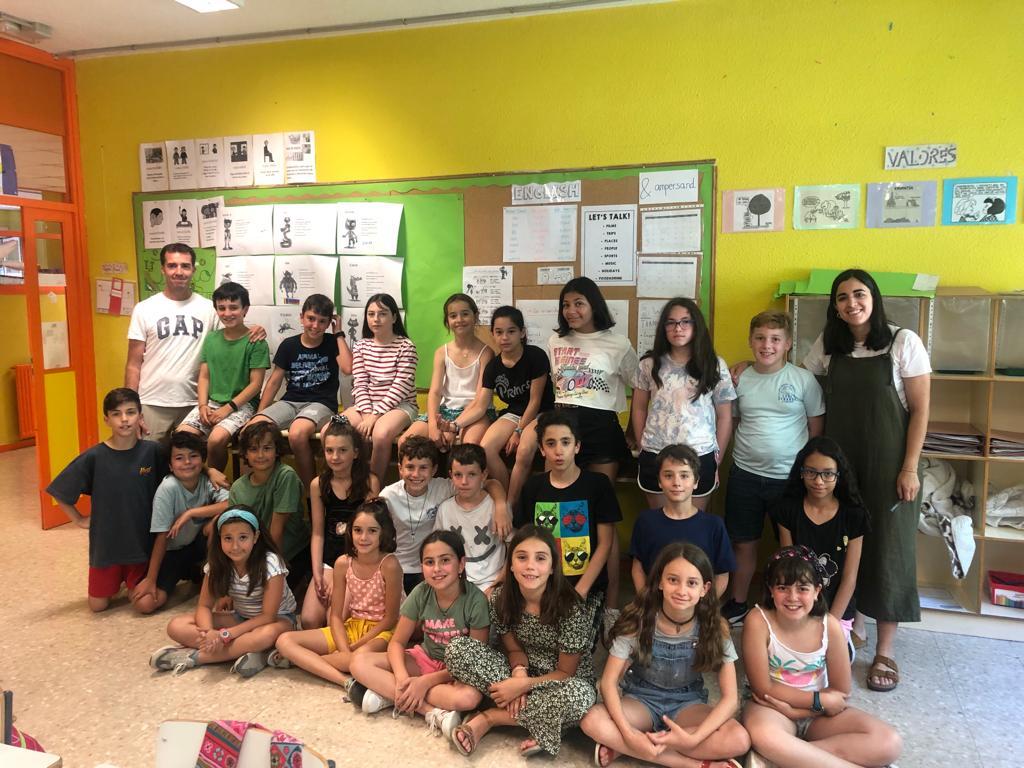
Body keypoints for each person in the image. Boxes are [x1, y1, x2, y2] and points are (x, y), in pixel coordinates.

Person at [802, 269, 930, 692]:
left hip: (889, 465)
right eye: (842, 297)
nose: (851, 303)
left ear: (873, 298)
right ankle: (852, 628)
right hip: (841, 465)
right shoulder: (829, 344)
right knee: (843, 543)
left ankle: (885, 650)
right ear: (834, 306)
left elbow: (920, 410)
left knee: (889, 549)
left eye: (859, 294)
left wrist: (909, 467)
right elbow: (802, 382)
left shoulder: (903, 342)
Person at [581, 542, 750, 768]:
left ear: (705, 589)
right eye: (673, 580)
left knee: (739, 739)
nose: (681, 590)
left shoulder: (715, 628)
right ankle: (694, 765)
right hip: (641, 700)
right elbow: (608, 683)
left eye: (692, 583)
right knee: (592, 720)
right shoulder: (638, 621)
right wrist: (629, 734)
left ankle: (627, 747)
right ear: (660, 581)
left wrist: (693, 738)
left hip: (688, 703)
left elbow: (730, 699)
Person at [445, 525, 600, 757]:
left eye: (540, 558)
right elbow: (514, 650)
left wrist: (523, 687)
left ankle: (490, 718)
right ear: (510, 565)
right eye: (522, 557)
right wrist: (518, 674)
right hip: (523, 669)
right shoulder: (500, 598)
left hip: (562, 680)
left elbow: (566, 672)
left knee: (580, 698)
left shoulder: (571, 608)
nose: (530, 566)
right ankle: (546, 720)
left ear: (552, 567)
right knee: (457, 649)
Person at [742, 546, 903, 768]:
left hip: (818, 713)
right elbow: (763, 688)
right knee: (766, 736)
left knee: (889, 742)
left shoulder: (830, 626)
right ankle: (794, 757)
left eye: (803, 588)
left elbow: (841, 692)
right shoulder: (758, 620)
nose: (792, 597)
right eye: (782, 587)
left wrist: (804, 709)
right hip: (772, 708)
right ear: (771, 590)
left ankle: (781, 760)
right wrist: (817, 700)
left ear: (817, 590)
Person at [721, 311, 824, 627]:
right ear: (750, 341)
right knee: (743, 542)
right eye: (760, 338)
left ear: (788, 344)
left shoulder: (803, 380)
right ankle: (738, 603)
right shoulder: (738, 378)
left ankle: (788, 606)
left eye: (775, 339)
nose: (767, 345)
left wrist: (807, 474)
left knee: (791, 546)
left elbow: (816, 429)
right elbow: (731, 421)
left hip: (789, 479)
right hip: (745, 475)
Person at [543, 277, 636, 608]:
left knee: (601, 515)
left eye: (579, 303)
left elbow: (641, 385)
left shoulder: (618, 344)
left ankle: (608, 603)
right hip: (563, 427)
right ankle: (559, 590)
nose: (571, 310)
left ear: (594, 305)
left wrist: (633, 430)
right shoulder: (555, 341)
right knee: (560, 509)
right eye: (566, 305)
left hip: (601, 430)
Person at [348, 531, 488, 738]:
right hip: (424, 659)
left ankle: (389, 695)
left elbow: (474, 661)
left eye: (445, 560)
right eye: (429, 562)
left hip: (457, 672)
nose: (437, 569)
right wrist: (402, 679)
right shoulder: (421, 592)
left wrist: (425, 682)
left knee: (468, 698)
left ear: (461, 564)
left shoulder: (476, 601)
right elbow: (397, 642)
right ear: (422, 566)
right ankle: (431, 712)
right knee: (358, 662)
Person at [46, 387, 166, 612]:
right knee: (97, 606)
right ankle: (117, 582)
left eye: (130, 412)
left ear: (140, 416)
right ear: (106, 419)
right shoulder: (95, 456)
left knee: (145, 604)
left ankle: (133, 582)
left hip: (141, 545)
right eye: (116, 414)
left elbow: (182, 469)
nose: (124, 419)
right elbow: (59, 490)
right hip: (106, 546)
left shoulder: (153, 451)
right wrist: (78, 519)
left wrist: (210, 472)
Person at [150, 507, 298, 678]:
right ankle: (254, 652)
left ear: (256, 537)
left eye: (243, 537)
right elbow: (204, 606)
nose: (235, 546)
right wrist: (209, 633)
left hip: (279, 620)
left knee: (265, 635)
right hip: (242, 617)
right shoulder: (217, 564)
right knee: (176, 625)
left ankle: (196, 657)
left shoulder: (270, 563)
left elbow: (268, 617)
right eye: (228, 538)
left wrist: (227, 635)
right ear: (219, 538)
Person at [270, 500, 402, 689]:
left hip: (380, 632)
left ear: (383, 533)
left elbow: (390, 619)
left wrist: (355, 646)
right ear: (350, 532)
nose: (363, 537)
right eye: (357, 530)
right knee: (284, 640)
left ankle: (298, 660)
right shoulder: (343, 563)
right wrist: (343, 648)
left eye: (372, 531)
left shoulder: (390, 564)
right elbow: (336, 617)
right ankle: (345, 681)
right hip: (351, 627)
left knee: (358, 658)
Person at [631, 298, 735, 511]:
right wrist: (642, 445)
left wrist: (717, 460)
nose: (678, 328)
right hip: (655, 453)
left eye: (685, 322)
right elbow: (639, 407)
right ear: (663, 328)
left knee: (693, 525)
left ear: (697, 326)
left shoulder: (715, 365)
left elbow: (725, 416)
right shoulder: (649, 364)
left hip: (699, 454)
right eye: (671, 323)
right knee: (660, 522)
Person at [771, 437, 869, 655]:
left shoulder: (854, 515)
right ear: (801, 472)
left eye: (828, 474)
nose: (819, 481)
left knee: (829, 660)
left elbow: (850, 578)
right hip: (795, 604)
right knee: (785, 656)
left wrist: (830, 624)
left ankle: (843, 641)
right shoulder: (786, 510)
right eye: (811, 472)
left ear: (839, 475)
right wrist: (800, 618)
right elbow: (788, 571)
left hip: (837, 609)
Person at [514, 410, 621, 609]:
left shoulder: (598, 485)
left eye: (565, 442)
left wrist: (580, 592)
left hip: (586, 590)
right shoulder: (533, 487)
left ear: (577, 446)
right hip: (542, 588)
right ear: (542, 449)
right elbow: (523, 541)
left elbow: (605, 544)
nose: (559, 451)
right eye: (550, 443)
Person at [380, 436, 508, 596]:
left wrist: (501, 505)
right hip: (396, 565)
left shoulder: (444, 487)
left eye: (423, 468)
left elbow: (488, 483)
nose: (416, 474)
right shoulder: (388, 496)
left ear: (434, 470)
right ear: (400, 468)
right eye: (410, 467)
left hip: (429, 569)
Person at [251, 293, 352, 492]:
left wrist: (339, 333)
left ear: (329, 323)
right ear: (301, 317)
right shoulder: (289, 345)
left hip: (321, 404)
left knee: (297, 434)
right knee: (253, 429)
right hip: (290, 402)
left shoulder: (332, 342)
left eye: (322, 321)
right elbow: (274, 382)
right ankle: (263, 490)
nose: (315, 325)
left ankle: (311, 493)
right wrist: (260, 413)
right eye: (311, 319)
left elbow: (348, 368)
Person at [125, 243, 219, 441]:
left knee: (192, 458)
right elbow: (133, 364)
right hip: (152, 401)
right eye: (172, 265)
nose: (179, 272)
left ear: (193, 270)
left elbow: (231, 339)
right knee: (149, 458)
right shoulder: (144, 309)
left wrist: (254, 329)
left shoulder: (209, 309)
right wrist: (131, 408)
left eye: (185, 266)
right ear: (163, 269)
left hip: (195, 403)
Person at [457, 305, 554, 491]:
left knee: (523, 450)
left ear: (522, 333)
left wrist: (518, 431)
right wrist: (455, 425)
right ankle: (504, 497)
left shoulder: (536, 356)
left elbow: (535, 402)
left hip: (541, 413)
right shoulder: (493, 366)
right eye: (499, 332)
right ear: (493, 334)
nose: (504, 337)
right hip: (514, 413)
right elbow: (481, 405)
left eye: (511, 331)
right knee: (486, 449)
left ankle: (513, 501)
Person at [132, 431, 230, 614]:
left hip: (200, 547)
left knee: (221, 522)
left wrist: (191, 513)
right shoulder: (168, 488)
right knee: (145, 604)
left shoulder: (208, 480)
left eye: (193, 456)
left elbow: (230, 504)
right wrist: (151, 579)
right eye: (179, 458)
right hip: (173, 553)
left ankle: (212, 578)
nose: (187, 462)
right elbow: (162, 536)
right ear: (170, 465)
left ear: (202, 460)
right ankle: (193, 575)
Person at [176, 281, 270, 471]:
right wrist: (202, 405)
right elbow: (204, 376)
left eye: (234, 307)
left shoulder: (256, 342)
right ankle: (196, 481)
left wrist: (228, 409)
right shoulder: (211, 338)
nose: (227, 313)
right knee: (181, 438)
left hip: (242, 405)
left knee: (215, 440)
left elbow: (255, 385)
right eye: (222, 308)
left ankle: (214, 481)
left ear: (245, 309)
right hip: (212, 403)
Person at [300, 416, 381, 629]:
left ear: (355, 453)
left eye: (343, 450)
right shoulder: (318, 485)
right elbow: (318, 533)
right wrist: (317, 572)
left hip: (356, 561)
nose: (335, 457)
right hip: (329, 560)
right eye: (329, 450)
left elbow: (373, 532)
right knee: (309, 620)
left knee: (333, 620)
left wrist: (345, 574)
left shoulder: (369, 482)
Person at [629, 445, 735, 598]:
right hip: (654, 605)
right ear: (659, 481)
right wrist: (645, 602)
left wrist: (704, 605)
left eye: (684, 476)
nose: (676, 483)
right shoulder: (646, 521)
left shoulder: (713, 525)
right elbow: (637, 568)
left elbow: (722, 575)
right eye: (668, 475)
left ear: (696, 481)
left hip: (697, 605)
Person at [342, 293, 419, 482]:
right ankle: (346, 484)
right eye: (371, 314)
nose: (376, 319)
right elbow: (360, 383)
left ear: (394, 317)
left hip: (401, 406)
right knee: (333, 428)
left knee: (381, 433)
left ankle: (372, 488)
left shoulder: (406, 346)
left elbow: (400, 387)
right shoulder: (361, 346)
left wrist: (374, 417)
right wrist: (367, 415)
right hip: (365, 407)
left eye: (382, 313)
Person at [402, 293, 493, 451]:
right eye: (453, 316)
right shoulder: (441, 352)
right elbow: (435, 392)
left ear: (475, 316)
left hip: (475, 412)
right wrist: (433, 426)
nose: (459, 320)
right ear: (447, 321)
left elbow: (479, 399)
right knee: (405, 442)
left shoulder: (486, 353)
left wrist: (453, 427)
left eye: (465, 314)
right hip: (445, 411)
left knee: (469, 446)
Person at [228, 422, 309, 591]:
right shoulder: (237, 487)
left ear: (277, 450)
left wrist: (270, 570)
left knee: (266, 595)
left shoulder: (285, 475)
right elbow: (236, 531)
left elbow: (276, 531)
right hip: (253, 553)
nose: (260, 455)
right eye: (253, 449)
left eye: (267, 448)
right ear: (245, 453)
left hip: (288, 553)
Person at [434, 444, 506, 593]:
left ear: (484, 475)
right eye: (458, 475)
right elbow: (438, 549)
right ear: (450, 475)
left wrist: (496, 585)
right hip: (456, 582)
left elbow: (512, 549)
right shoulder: (445, 509)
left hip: (493, 582)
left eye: (472, 474)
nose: (464, 481)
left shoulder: (496, 508)